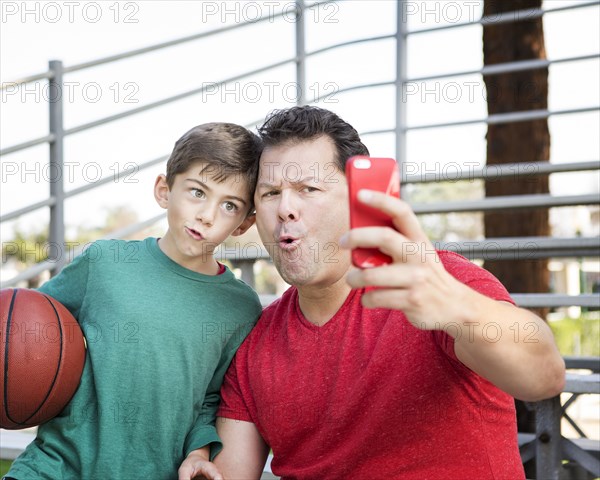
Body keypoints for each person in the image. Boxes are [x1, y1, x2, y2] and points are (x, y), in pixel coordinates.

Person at [182, 106, 566, 480]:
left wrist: (458, 308)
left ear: (358, 200)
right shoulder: (256, 346)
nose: (286, 208)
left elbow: (543, 376)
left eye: (308, 188)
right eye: (269, 194)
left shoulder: (436, 283)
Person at [5, 123, 263, 480]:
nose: (207, 215)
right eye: (197, 192)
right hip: (56, 465)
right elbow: (21, 329)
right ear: (164, 190)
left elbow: (210, 401)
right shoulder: (104, 263)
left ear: (243, 224)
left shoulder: (241, 308)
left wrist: (198, 452)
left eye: (229, 205)